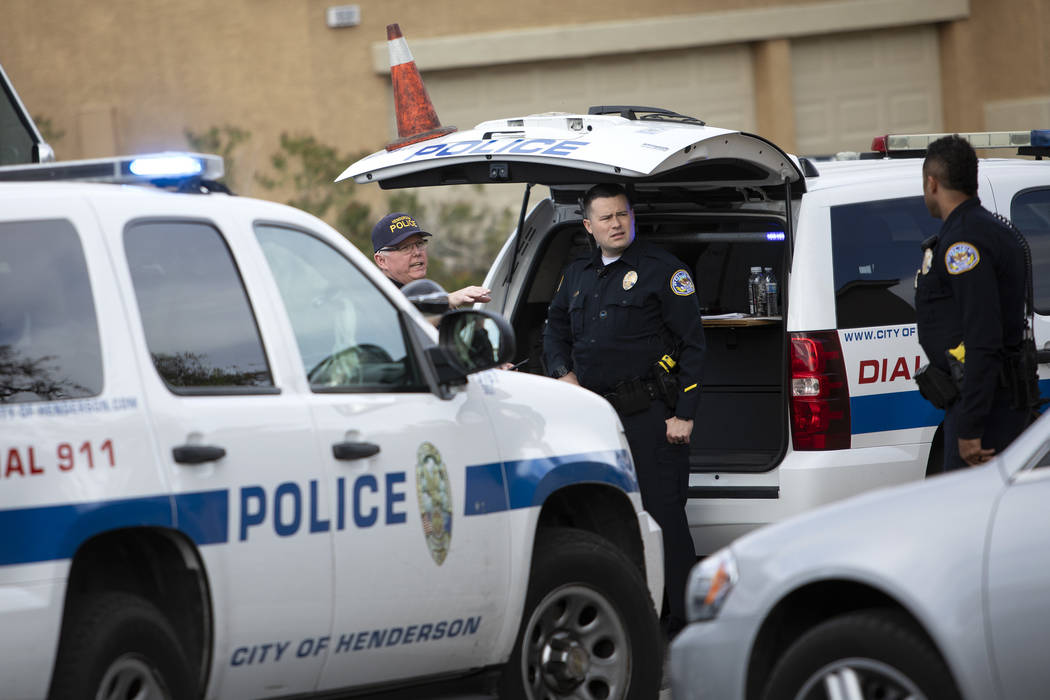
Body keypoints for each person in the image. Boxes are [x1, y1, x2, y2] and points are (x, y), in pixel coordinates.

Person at [543, 183, 705, 638]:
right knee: (605, 518)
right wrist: (562, 374)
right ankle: (638, 617)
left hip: (650, 416)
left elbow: (693, 346)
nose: (616, 224)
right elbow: (554, 328)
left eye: (622, 215)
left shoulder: (663, 272)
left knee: (664, 515)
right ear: (588, 226)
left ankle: (686, 623)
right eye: (607, 218)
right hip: (594, 420)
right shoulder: (577, 274)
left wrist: (684, 413)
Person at [915, 134, 1033, 471]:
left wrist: (970, 427)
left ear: (932, 183)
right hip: (990, 404)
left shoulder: (963, 244)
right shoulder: (989, 230)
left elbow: (983, 337)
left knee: (972, 516)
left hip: (986, 412)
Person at [371, 212, 492, 309]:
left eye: (419, 243)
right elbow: (401, 320)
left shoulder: (428, 292)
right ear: (381, 260)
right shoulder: (376, 300)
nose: (417, 252)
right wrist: (446, 301)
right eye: (405, 248)